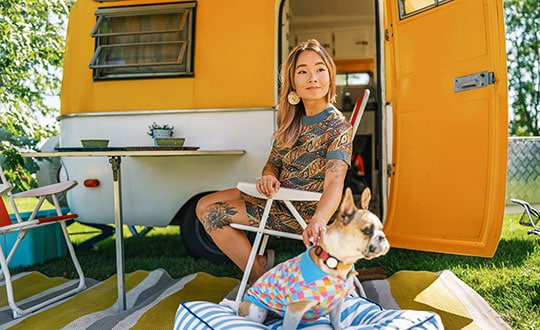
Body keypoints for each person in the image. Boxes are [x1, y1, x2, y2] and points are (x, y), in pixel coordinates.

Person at [195, 39, 353, 283]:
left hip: (297, 210)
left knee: (213, 214)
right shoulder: (293, 122)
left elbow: (335, 182)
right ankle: (257, 264)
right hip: (276, 197)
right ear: (292, 84)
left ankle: (260, 279)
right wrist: (269, 176)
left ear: (330, 76)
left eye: (320, 69)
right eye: (303, 71)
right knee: (202, 204)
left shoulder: (337, 127)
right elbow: (273, 163)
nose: (313, 77)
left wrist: (318, 220)